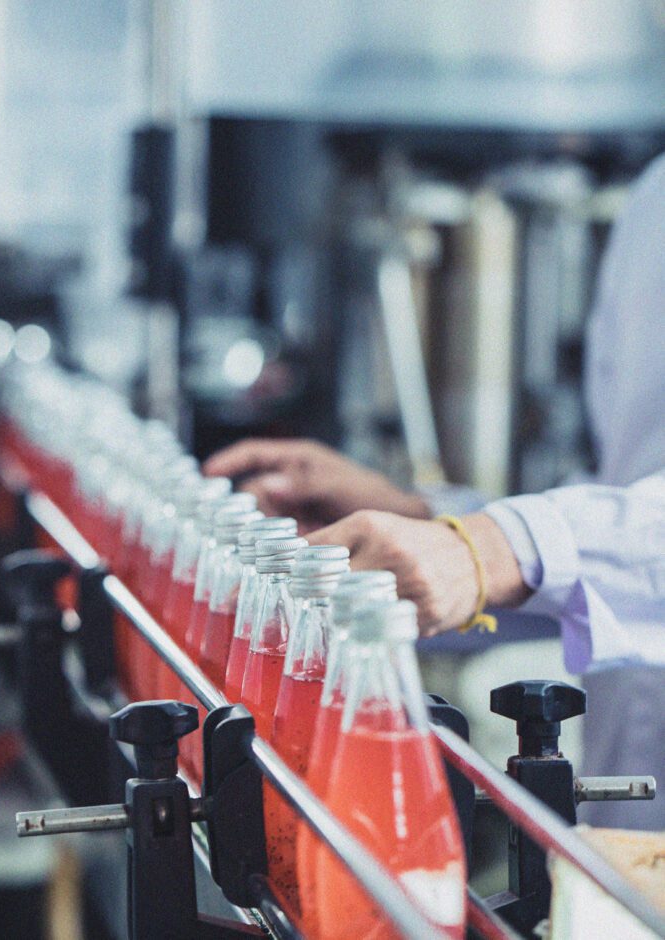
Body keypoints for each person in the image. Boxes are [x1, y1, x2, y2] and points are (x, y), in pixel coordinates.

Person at [205, 153, 665, 828]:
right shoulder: (655, 199)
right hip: (624, 828)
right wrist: (423, 525)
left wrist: (497, 550)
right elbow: (620, 523)